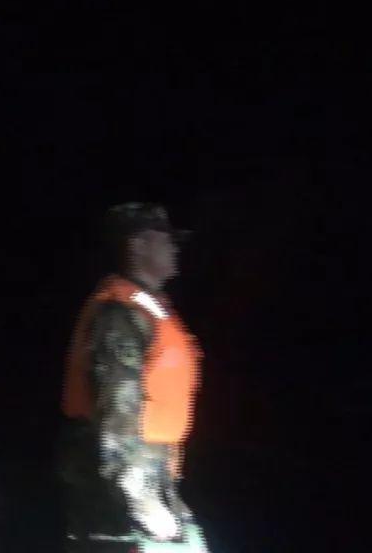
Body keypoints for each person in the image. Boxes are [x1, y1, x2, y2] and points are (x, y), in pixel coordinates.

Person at [59, 203, 210, 552]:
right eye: (166, 239)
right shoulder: (119, 313)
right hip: (116, 487)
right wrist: (141, 498)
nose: (174, 248)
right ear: (137, 245)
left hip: (150, 472)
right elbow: (117, 410)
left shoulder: (152, 307)